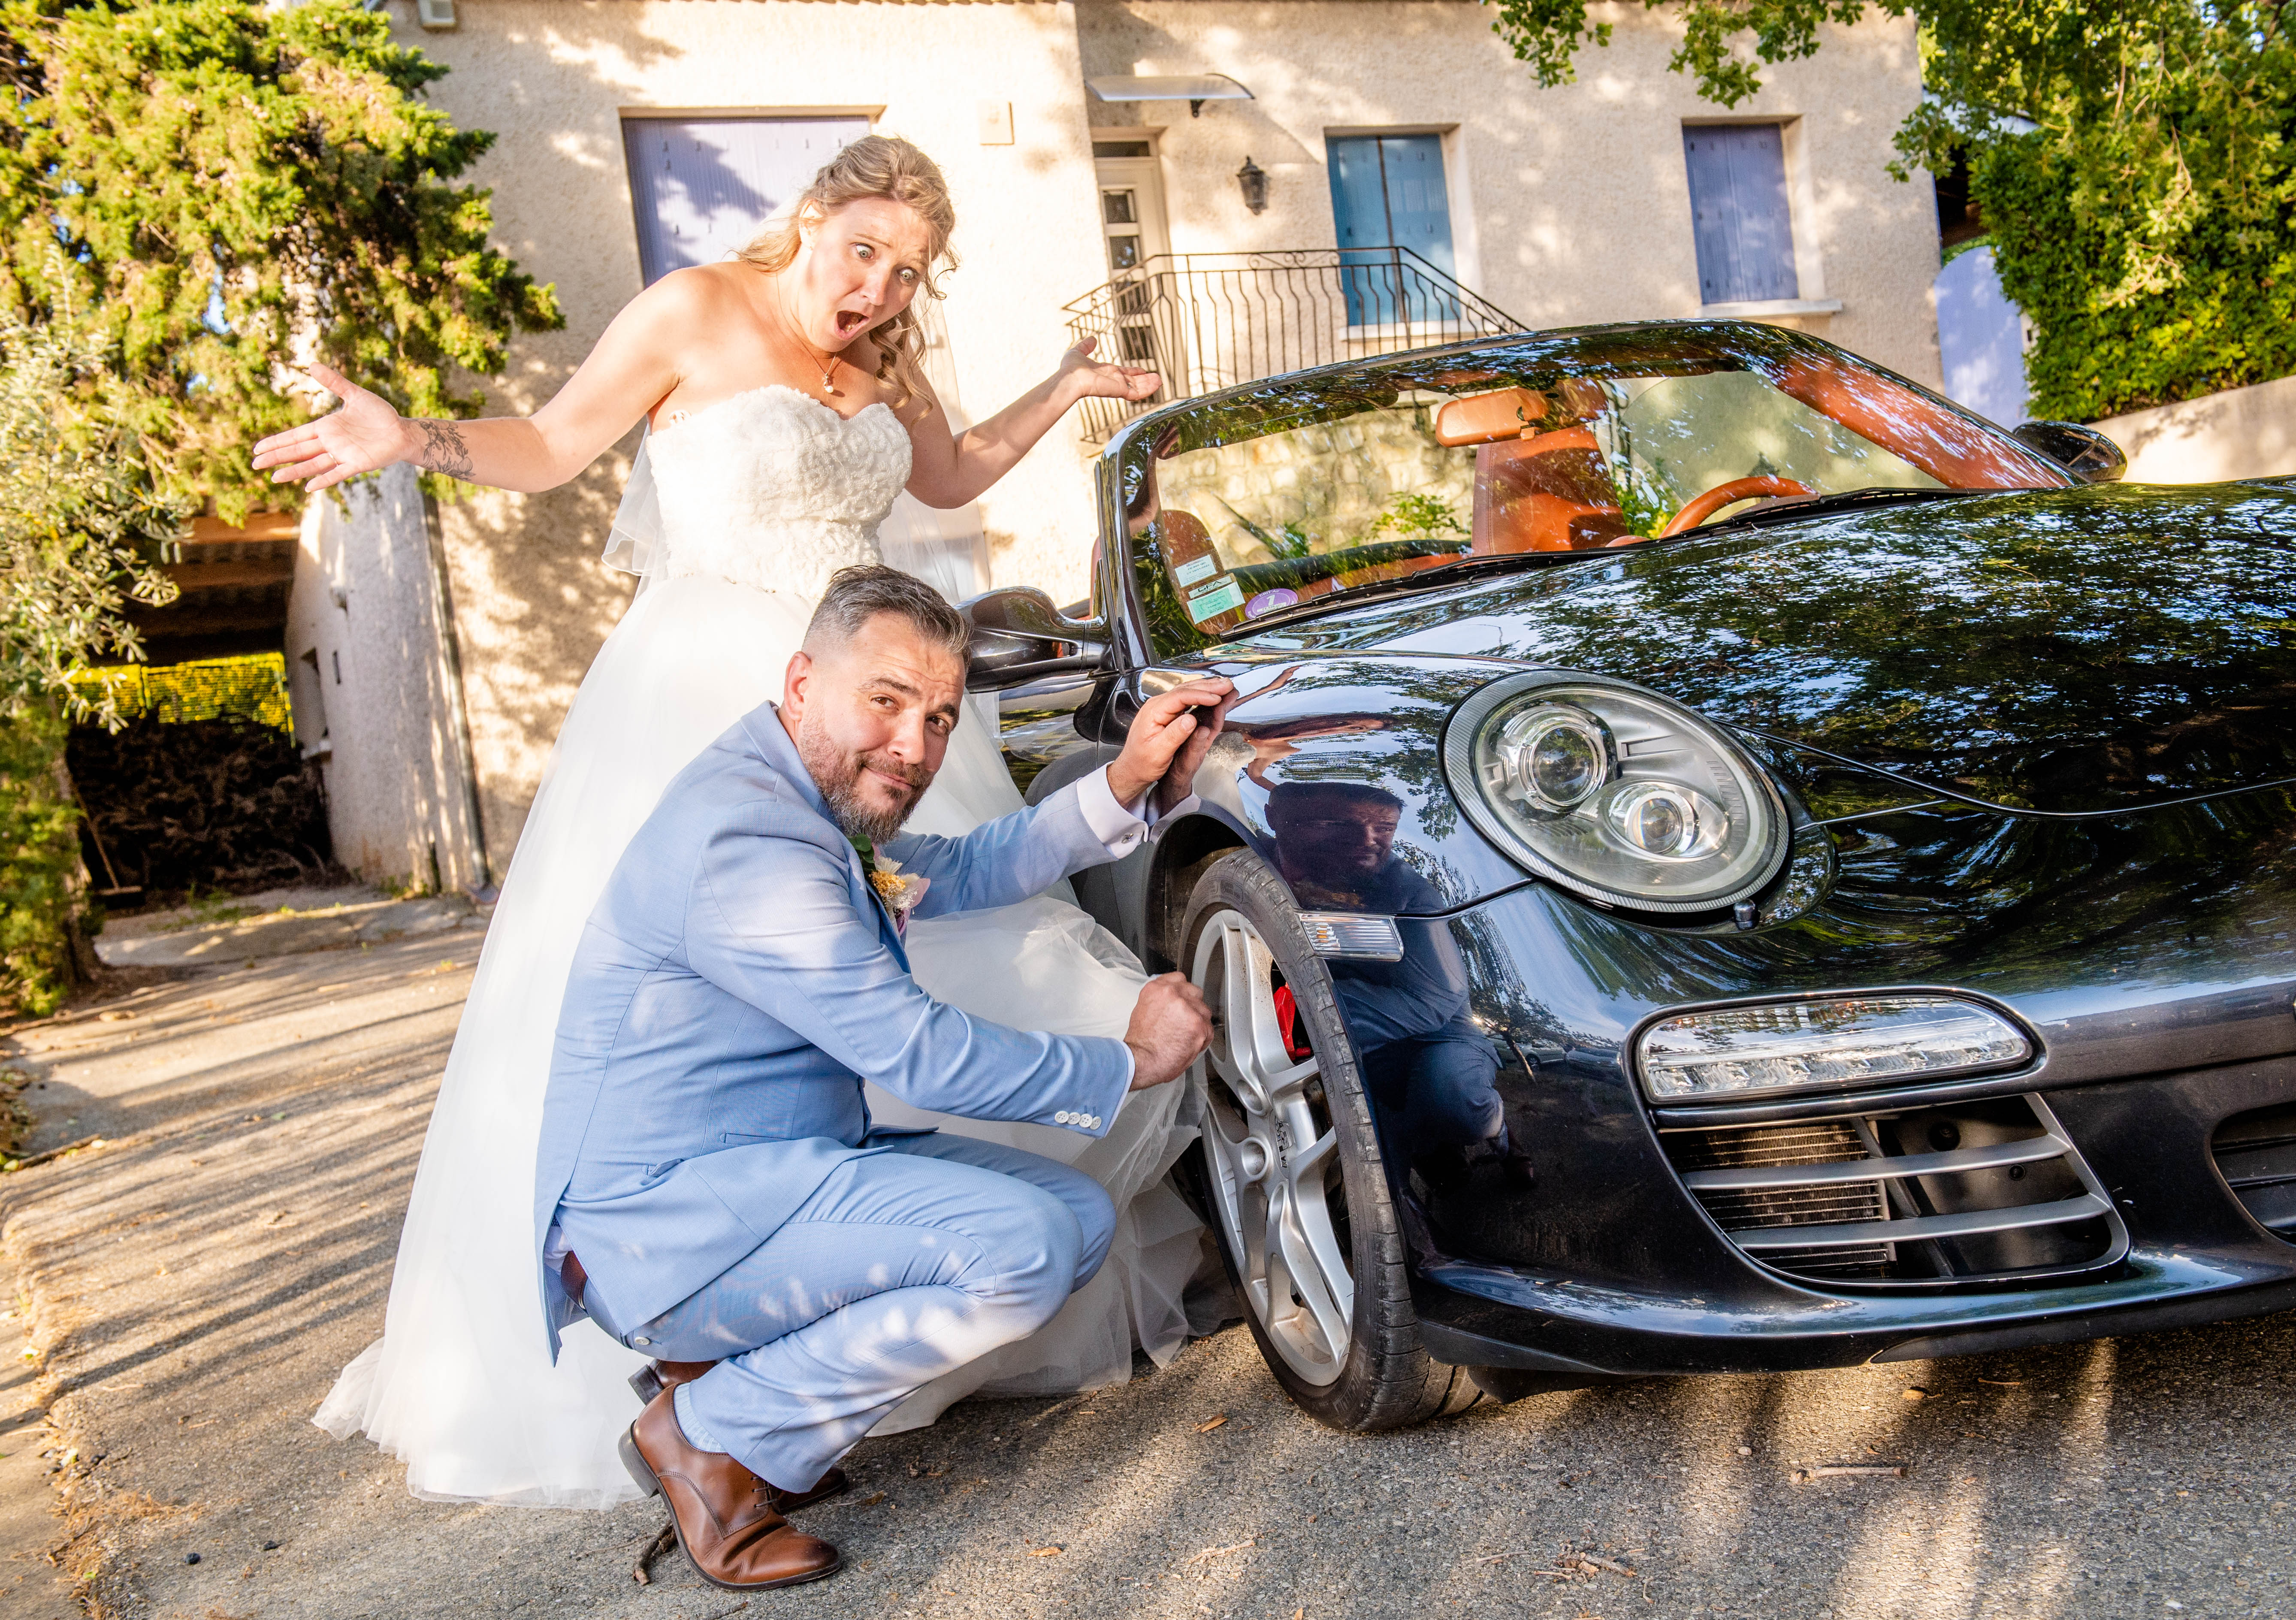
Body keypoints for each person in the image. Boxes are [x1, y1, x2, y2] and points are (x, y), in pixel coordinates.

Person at [251, 136, 1183, 1508]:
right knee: (734, 1005)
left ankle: (902, 1298)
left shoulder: (890, 357)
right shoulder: (692, 309)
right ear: (809, 219)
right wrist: (413, 441)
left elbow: (947, 477)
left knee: (928, 923)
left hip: (873, 696)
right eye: (863, 251)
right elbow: (552, 445)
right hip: (709, 689)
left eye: (908, 271)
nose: (879, 289)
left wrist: (1066, 386)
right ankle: (708, 1329)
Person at [544, 568, 1222, 1589]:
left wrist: (1124, 780)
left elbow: (965, 867)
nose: (914, 745)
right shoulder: (749, 842)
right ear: (801, 681)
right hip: (669, 1231)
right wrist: (1127, 1060)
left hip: (766, 1177)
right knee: (1022, 1250)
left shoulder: (798, 793)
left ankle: (728, 1387)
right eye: (886, 700)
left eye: (939, 718)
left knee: (1077, 1218)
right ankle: (706, 1434)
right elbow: (918, 1053)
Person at [1260, 781, 1533, 1197]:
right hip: (1370, 1041)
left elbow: (1436, 1000)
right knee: (1412, 1163)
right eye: (1340, 824)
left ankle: (1501, 1135)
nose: (1368, 840)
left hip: (1439, 1034)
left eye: (1384, 828)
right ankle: (1426, 1151)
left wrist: (1314, 1018)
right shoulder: (1265, 859)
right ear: (1275, 818)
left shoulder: (1411, 893)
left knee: (1456, 1103)